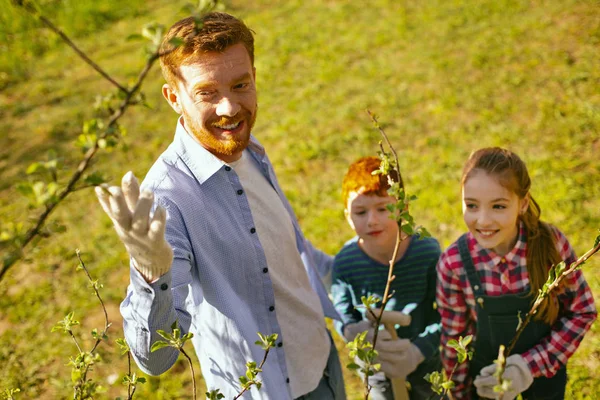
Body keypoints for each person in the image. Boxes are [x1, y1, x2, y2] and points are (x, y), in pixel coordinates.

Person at [95, 12, 346, 400]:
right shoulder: (167, 201)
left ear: (254, 78)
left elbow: (287, 254)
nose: (229, 108)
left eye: (240, 84)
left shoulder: (251, 151)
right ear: (173, 97)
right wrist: (150, 275)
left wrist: (363, 271)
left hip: (321, 363)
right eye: (207, 92)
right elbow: (155, 360)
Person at [436, 147, 597, 400]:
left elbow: (582, 311)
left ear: (522, 204)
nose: (483, 220)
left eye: (498, 206)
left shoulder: (551, 246)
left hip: (544, 376)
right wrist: (458, 394)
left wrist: (529, 366)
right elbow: (454, 337)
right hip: (485, 383)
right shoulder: (454, 263)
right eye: (472, 205)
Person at [331, 156, 442, 399]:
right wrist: (355, 332)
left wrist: (419, 350)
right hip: (375, 359)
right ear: (348, 216)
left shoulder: (426, 253)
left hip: (424, 352)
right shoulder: (345, 263)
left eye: (383, 208)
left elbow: (447, 312)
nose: (372, 220)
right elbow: (341, 313)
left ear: (403, 208)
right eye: (360, 212)